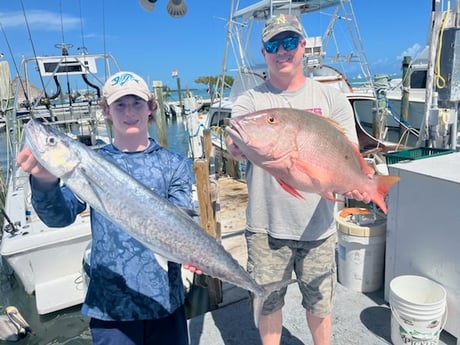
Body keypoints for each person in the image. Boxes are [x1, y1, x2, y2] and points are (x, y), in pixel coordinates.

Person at [17, 71, 195, 345]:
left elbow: (179, 219)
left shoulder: (174, 164)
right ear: (107, 111)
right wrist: (44, 182)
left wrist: (197, 252)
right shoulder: (91, 160)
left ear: (151, 107)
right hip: (110, 306)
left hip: (165, 302)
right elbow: (60, 217)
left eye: (137, 103)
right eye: (120, 105)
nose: (129, 112)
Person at [225, 14, 372, 345]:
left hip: (318, 226)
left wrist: (361, 182)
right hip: (265, 226)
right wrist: (236, 147)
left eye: (290, 42)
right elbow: (237, 143)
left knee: (320, 303)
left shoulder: (330, 97)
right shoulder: (251, 102)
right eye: (272, 45)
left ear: (303, 46)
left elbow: (348, 152)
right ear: (263, 52)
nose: (282, 51)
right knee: (267, 301)